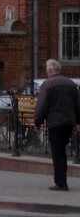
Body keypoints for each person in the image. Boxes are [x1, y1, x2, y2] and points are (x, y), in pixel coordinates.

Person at [33, 58, 80, 191]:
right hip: (69, 122)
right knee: (62, 151)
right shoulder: (70, 83)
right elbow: (77, 105)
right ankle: (62, 180)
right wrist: (78, 122)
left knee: (57, 152)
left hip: (55, 123)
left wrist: (37, 121)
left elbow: (42, 105)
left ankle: (61, 183)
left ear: (49, 70)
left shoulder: (48, 84)